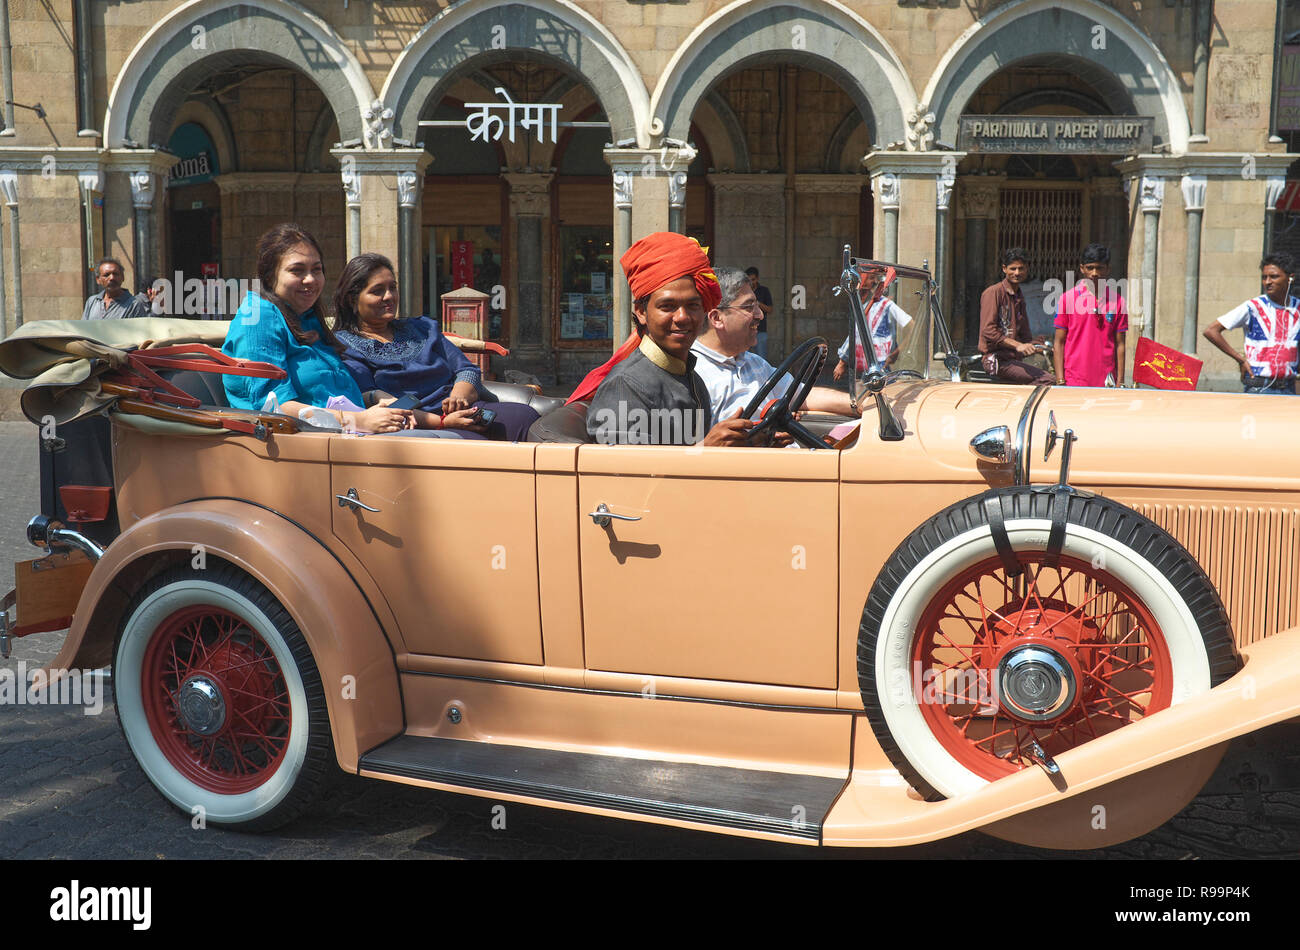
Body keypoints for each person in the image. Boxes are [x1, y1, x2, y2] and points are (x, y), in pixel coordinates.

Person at [221, 224, 414, 434]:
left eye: (317, 269)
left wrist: (374, 399)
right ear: (269, 276)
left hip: (343, 438)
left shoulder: (307, 317)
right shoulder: (258, 316)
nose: (310, 279)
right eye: (297, 270)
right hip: (298, 446)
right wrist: (358, 421)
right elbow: (273, 409)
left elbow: (326, 397)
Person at [333, 252, 541, 439]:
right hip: (421, 426)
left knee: (525, 416)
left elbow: (466, 369)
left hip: (466, 410)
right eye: (377, 291)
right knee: (476, 444)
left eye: (393, 288)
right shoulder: (345, 347)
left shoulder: (422, 328)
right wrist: (442, 422)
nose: (389, 296)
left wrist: (458, 396)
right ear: (352, 299)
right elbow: (373, 401)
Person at [582, 232, 759, 446]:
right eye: (667, 306)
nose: (683, 317)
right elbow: (628, 474)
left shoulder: (692, 380)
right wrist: (706, 449)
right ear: (641, 312)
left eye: (693, 306)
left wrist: (751, 443)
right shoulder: (626, 385)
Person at [693, 266, 856, 420]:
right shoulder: (691, 376)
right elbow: (688, 447)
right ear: (717, 318)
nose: (760, 315)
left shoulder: (754, 363)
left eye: (757, 306)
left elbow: (801, 394)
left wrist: (861, 404)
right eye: (749, 307)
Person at [1203, 252, 1300, 395]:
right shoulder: (1253, 307)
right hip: (1259, 387)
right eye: (1264, 277)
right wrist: (1240, 360)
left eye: (1274, 276)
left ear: (1290, 278)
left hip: (1288, 387)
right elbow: (1211, 331)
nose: (1267, 282)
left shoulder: (1297, 308)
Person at [1053, 243, 1127, 387]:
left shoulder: (1118, 301)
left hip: (1107, 381)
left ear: (1108, 269)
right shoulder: (1067, 299)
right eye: (1090, 268)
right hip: (1074, 380)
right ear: (1082, 269)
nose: (1094, 273)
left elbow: (1120, 344)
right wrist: (1060, 380)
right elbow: (1059, 342)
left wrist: (1121, 382)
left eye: (1099, 268)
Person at [979, 248, 1051, 384]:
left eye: (1021, 269)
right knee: (1046, 379)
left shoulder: (1019, 295)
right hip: (996, 360)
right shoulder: (993, 293)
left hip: (1013, 360)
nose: (1017, 273)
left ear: (1027, 269)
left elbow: (1024, 334)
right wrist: (1018, 345)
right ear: (1004, 269)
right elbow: (988, 331)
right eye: (1013, 269)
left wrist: (1035, 344)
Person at [832, 266, 912, 380]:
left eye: (875, 279)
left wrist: (898, 350)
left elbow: (911, 325)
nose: (874, 282)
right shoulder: (866, 304)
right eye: (871, 278)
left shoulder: (885, 304)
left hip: (880, 366)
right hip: (869, 365)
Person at [82, 258, 149, 320]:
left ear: (123, 277)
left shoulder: (135, 305)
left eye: (115, 274)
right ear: (98, 280)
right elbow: (83, 329)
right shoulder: (92, 302)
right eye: (106, 275)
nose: (112, 278)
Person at [745, 266, 773, 359]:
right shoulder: (743, 291)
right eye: (749, 280)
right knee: (742, 357)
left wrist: (758, 303)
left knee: (761, 359)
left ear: (757, 278)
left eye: (753, 279)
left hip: (760, 330)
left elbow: (770, 309)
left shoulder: (764, 291)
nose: (751, 282)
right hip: (745, 329)